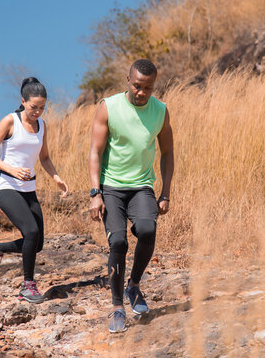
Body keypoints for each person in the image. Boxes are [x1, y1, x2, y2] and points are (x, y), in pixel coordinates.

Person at [88, 59, 174, 333]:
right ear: (128, 80)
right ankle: (117, 307)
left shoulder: (160, 111)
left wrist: (166, 193)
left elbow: (168, 153)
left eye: (147, 88)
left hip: (142, 186)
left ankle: (133, 285)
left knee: (148, 230)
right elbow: (95, 152)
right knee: (119, 242)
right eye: (137, 86)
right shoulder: (109, 107)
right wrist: (95, 193)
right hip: (111, 187)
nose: (141, 92)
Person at [0, 77, 69, 304]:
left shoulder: (42, 126)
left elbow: (45, 157)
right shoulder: (10, 121)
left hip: (28, 189)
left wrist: (57, 177)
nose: (37, 112)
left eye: (42, 108)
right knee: (30, 231)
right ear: (23, 101)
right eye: (33, 107)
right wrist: (12, 169)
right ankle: (27, 286)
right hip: (6, 184)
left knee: (37, 243)